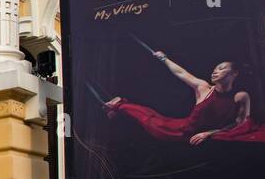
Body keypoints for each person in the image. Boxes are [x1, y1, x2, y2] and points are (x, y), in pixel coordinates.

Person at [106, 53, 265, 144]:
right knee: (149, 119)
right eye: (215, 69)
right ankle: (120, 104)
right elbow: (182, 73)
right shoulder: (203, 87)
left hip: (209, 134)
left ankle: (120, 106)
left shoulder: (241, 96)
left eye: (221, 69)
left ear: (234, 74)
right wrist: (163, 58)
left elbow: (240, 124)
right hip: (182, 131)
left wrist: (209, 133)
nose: (215, 72)